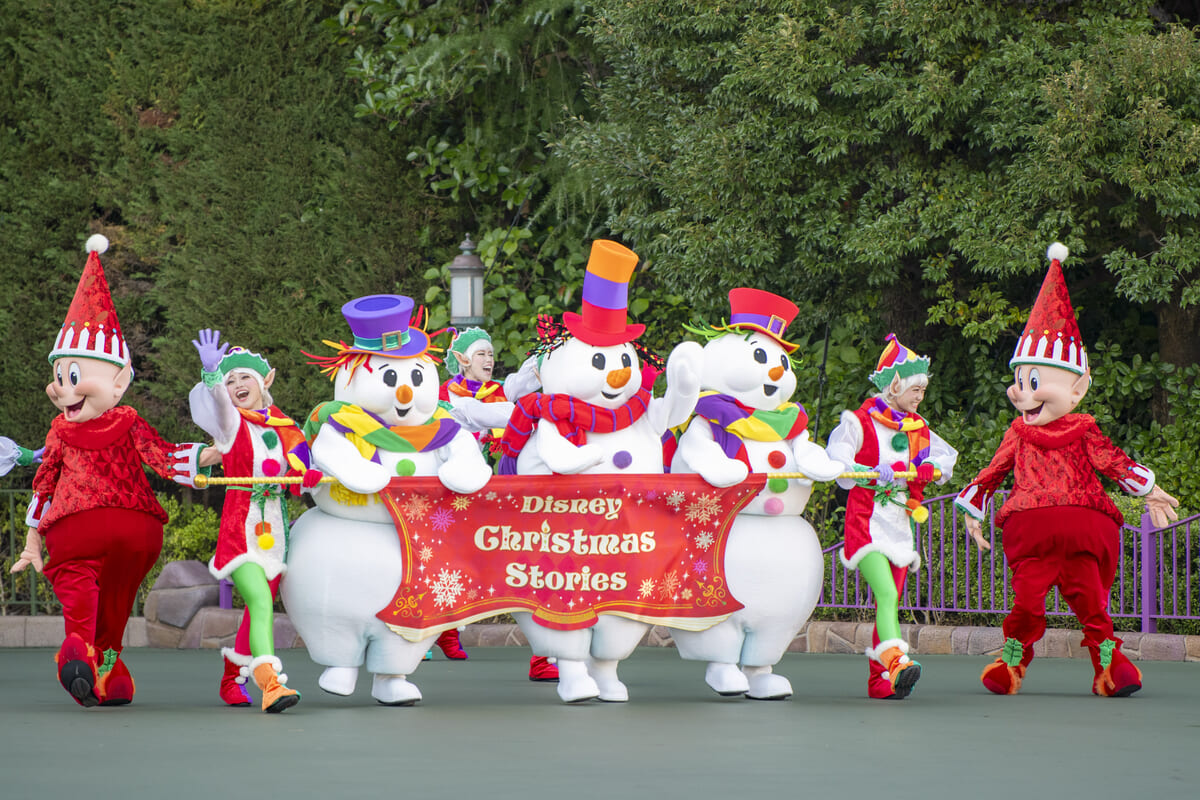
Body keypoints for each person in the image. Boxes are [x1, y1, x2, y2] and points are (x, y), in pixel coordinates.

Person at [954, 243, 1179, 697]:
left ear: (1077, 388)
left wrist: (1148, 488)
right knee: (1027, 604)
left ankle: (1110, 666)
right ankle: (1013, 662)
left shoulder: (1085, 426)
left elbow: (1112, 461)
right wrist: (971, 511)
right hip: (1036, 536)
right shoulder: (1018, 432)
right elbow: (993, 472)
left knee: (1093, 603)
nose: (1022, 394)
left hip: (1079, 532)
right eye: (1020, 382)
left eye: (1033, 383)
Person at [10, 234, 209, 708]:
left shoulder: (60, 431)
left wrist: (34, 540)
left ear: (120, 381)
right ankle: (110, 668)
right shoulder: (129, 420)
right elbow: (164, 457)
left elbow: (45, 486)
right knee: (118, 599)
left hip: (79, 525)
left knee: (78, 588)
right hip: (137, 529)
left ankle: (77, 648)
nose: (61, 390)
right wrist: (211, 456)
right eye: (60, 377)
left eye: (72, 377)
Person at [189, 329, 321, 713]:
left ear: (266, 379)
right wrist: (212, 375)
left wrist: (306, 473)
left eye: (243, 376)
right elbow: (219, 404)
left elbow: (301, 461)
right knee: (261, 601)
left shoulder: (286, 429)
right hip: (239, 533)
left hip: (276, 534)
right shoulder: (231, 425)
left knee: (255, 611)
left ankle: (232, 678)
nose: (237, 384)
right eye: (231, 381)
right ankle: (271, 684)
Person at [826, 334, 957, 699]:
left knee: (891, 600)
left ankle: (879, 681)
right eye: (915, 388)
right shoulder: (859, 421)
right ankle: (897, 660)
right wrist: (867, 470)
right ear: (894, 384)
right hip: (865, 525)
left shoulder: (919, 428)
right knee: (885, 594)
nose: (919, 396)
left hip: (900, 525)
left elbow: (944, 458)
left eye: (923, 390)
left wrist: (929, 466)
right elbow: (837, 461)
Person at [439, 326, 558, 681]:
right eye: (481, 354)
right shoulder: (448, 399)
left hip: (502, 490)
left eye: (491, 354)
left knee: (526, 563)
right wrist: (538, 410)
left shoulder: (497, 392)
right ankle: (441, 630)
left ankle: (542, 657)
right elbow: (489, 414)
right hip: (462, 495)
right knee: (456, 563)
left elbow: (523, 381)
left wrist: (552, 351)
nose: (489, 360)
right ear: (462, 360)